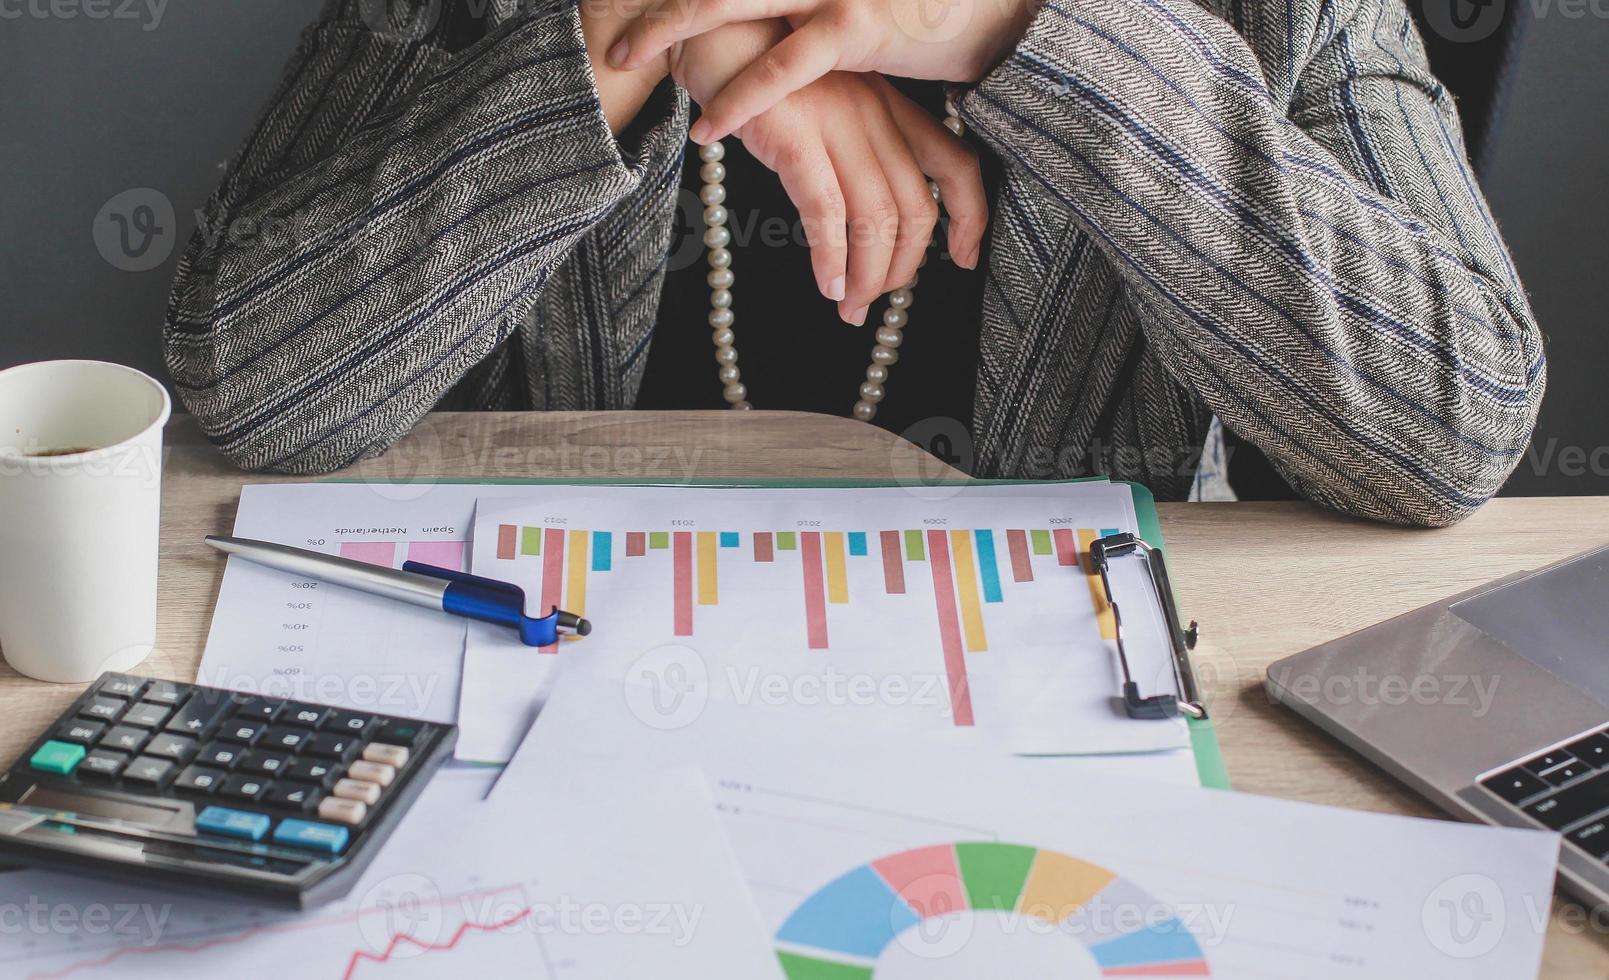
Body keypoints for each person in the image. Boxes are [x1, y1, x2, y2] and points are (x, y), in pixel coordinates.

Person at [164, 0, 1544, 527]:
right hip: (558, 677)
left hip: (1045, 724)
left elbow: (1443, 431)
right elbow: (256, 387)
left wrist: (1032, 36)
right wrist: (625, 31)